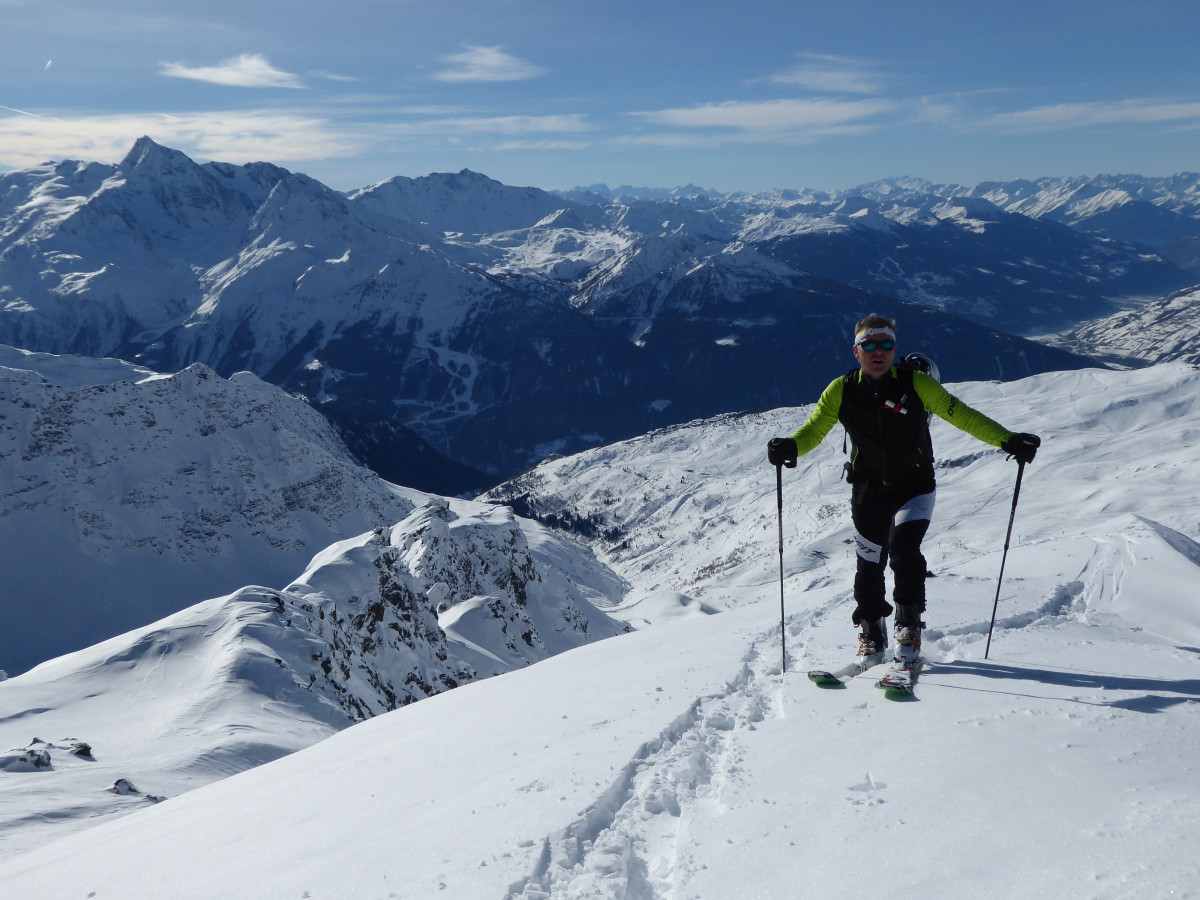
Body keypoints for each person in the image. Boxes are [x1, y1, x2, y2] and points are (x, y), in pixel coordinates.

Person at [766, 313, 1040, 671]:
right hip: (868, 492)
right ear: (856, 351)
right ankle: (872, 634)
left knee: (905, 552)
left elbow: (962, 415)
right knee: (868, 566)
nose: (878, 351)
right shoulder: (841, 389)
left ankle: (908, 630)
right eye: (870, 345)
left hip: (915, 487)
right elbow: (815, 430)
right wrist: (790, 446)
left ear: (895, 349)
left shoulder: (917, 385)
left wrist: (1007, 439)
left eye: (886, 345)